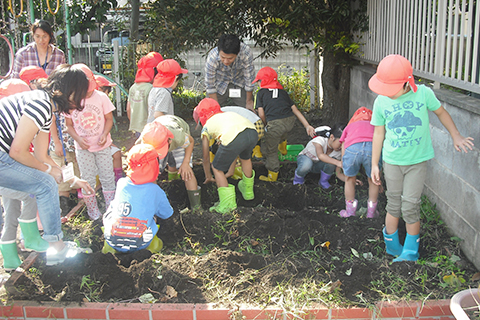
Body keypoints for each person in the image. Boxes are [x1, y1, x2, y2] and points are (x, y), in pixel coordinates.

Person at [369, 54, 474, 262]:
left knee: (410, 205)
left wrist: (455, 135)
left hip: (417, 162)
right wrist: (374, 163)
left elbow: (441, 112)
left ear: (408, 82)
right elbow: (378, 133)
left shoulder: (423, 94)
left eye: (391, 87)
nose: (386, 93)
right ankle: (392, 247)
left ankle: (410, 251)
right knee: (393, 204)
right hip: (391, 161)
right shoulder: (381, 101)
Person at [0, 64, 94, 267]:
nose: (82, 100)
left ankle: (36, 240)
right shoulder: (40, 104)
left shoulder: (46, 108)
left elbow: (41, 156)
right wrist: (49, 172)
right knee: (45, 184)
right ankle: (56, 246)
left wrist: (71, 178)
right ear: (70, 91)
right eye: (80, 94)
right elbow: (18, 151)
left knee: (36, 184)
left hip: (4, 157)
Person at [65, 64, 116, 221]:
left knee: (107, 177)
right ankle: (93, 212)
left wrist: (105, 133)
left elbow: (109, 119)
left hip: (103, 146)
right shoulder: (71, 101)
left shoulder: (101, 97)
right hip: (83, 148)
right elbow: (68, 125)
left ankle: (111, 210)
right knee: (87, 180)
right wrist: (78, 139)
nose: (88, 91)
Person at [102, 144, 173, 254]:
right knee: (153, 220)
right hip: (141, 242)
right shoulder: (155, 190)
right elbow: (167, 214)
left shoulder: (121, 183)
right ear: (155, 166)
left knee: (112, 208)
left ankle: (109, 248)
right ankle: (153, 246)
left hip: (112, 240)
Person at [194, 98, 258, 213]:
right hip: (252, 132)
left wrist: (208, 176)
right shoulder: (228, 115)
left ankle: (227, 205)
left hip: (235, 136)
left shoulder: (207, 126)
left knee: (217, 168)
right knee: (245, 158)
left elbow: (205, 156)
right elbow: (233, 147)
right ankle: (248, 191)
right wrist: (231, 171)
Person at [253, 67, 315, 182]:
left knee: (270, 150)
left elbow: (261, 114)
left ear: (264, 81)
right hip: (290, 121)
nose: (258, 84)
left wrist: (265, 125)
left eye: (259, 81)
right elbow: (295, 110)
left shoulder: (260, 93)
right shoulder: (283, 92)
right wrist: (307, 125)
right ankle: (283, 147)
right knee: (282, 129)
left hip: (275, 124)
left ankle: (272, 175)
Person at [139, 115, 201, 209]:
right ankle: (169, 189)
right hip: (156, 134)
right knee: (152, 171)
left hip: (177, 131)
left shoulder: (179, 137)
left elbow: (191, 142)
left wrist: (186, 163)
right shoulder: (145, 139)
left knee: (186, 171)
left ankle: (196, 207)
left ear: (169, 141)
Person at [338, 109, 380, 218]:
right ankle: (371, 213)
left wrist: (344, 162)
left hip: (352, 148)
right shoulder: (375, 125)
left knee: (350, 179)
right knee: (373, 180)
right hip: (372, 149)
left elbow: (343, 144)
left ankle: (350, 212)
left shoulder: (350, 126)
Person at [205, 34, 255, 111]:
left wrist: (249, 101)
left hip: (239, 84)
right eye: (222, 57)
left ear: (237, 53)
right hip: (219, 85)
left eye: (230, 58)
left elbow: (249, 79)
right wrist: (215, 109)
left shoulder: (246, 53)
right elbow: (210, 85)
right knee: (207, 110)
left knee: (250, 110)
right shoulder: (212, 57)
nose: (226, 61)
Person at [293, 124, 348, 189]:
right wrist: (338, 163)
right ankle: (298, 179)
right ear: (332, 137)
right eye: (341, 143)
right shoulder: (320, 140)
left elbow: (338, 173)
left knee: (331, 163)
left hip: (317, 166)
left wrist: (350, 181)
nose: (342, 147)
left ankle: (323, 181)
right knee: (307, 164)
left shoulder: (338, 153)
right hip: (305, 160)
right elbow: (321, 155)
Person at [94, 74, 124, 183]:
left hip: (105, 141)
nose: (108, 94)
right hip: (93, 143)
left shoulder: (104, 104)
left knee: (117, 153)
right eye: (107, 91)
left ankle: (118, 179)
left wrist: (109, 141)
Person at [127, 52, 163, 138]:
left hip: (137, 128)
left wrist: (134, 123)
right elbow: (155, 111)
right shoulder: (151, 89)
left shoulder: (133, 87)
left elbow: (128, 109)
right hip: (150, 128)